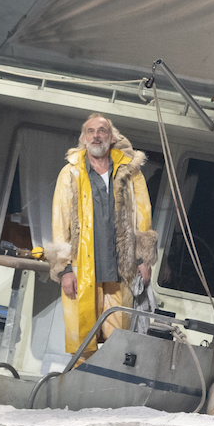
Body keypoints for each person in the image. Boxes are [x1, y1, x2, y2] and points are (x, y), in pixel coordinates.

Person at [45, 114, 158, 358]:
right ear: (84, 138)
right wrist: (64, 269)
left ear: (111, 137)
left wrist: (143, 260)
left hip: (120, 271)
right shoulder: (70, 173)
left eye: (102, 130)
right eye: (91, 131)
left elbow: (143, 216)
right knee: (83, 342)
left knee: (119, 343)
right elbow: (60, 221)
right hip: (82, 271)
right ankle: (77, 381)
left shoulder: (130, 173)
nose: (96, 136)